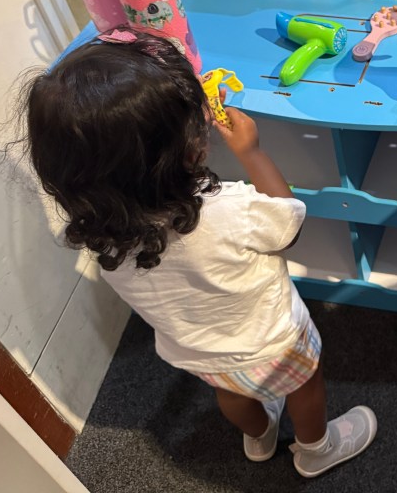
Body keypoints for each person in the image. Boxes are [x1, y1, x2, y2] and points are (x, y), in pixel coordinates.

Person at [22, 30, 377, 478]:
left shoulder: (104, 236)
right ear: (189, 150)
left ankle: (259, 436)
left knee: (232, 393)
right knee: (305, 384)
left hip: (199, 352)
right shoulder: (229, 210)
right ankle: (315, 450)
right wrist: (252, 152)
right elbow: (289, 224)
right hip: (272, 340)